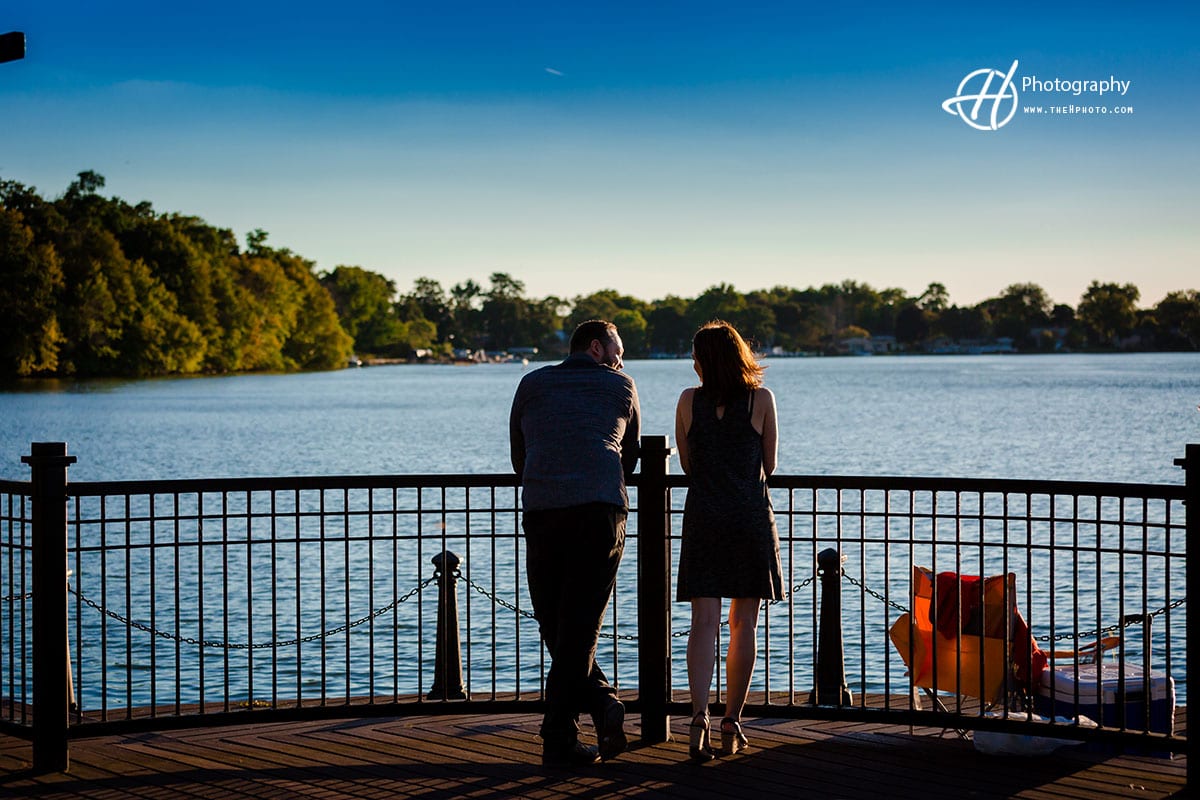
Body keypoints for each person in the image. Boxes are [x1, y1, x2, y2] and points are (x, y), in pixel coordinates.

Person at [509, 319, 641, 767]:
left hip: (543, 508)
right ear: (596, 347)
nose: (620, 360)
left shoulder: (531, 382)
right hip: (600, 511)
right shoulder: (621, 385)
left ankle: (566, 729)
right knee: (578, 627)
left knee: (554, 622)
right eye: (616, 350)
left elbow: (518, 454)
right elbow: (633, 455)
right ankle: (581, 721)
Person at [674, 320, 783, 762]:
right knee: (744, 625)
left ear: (702, 361)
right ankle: (731, 722)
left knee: (704, 624)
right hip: (749, 519)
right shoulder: (761, 400)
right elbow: (770, 464)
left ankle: (698, 717)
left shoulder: (688, 402)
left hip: (704, 518)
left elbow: (687, 464)